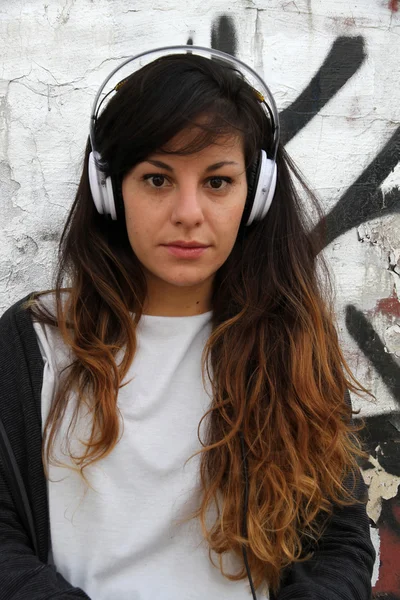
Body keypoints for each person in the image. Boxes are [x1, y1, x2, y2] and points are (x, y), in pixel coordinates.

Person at [0, 46, 375, 600]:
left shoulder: (290, 341)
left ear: (256, 195)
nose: (188, 212)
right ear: (109, 189)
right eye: (157, 179)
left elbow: (340, 540)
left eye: (218, 182)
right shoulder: (34, 341)